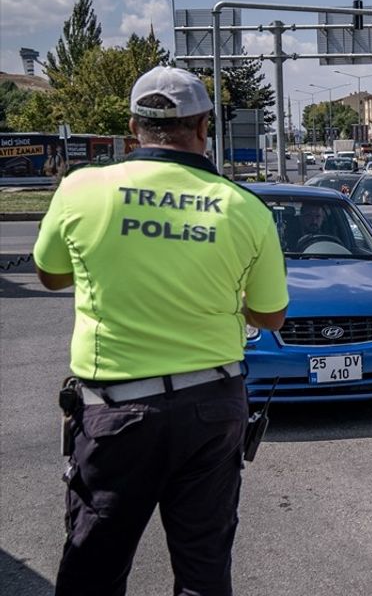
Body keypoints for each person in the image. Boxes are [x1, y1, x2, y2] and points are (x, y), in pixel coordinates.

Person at [33, 65, 290, 596]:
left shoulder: (82, 188)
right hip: (212, 407)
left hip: (115, 409)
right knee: (203, 570)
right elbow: (270, 316)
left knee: (92, 568)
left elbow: (51, 274)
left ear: (134, 126)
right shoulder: (245, 208)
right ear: (204, 128)